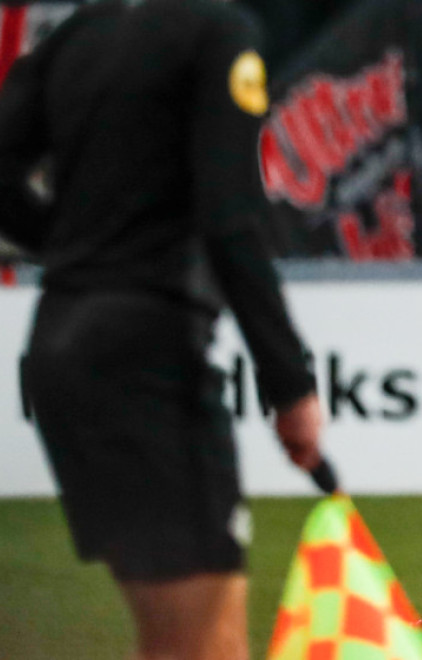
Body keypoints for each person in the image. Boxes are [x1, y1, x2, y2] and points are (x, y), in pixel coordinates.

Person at [0, 1, 325, 659]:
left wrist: (65, 246)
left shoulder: (76, 35)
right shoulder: (217, 31)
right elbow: (231, 216)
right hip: (146, 361)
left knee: (197, 642)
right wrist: (289, 382)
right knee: (199, 647)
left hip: (61, 350)